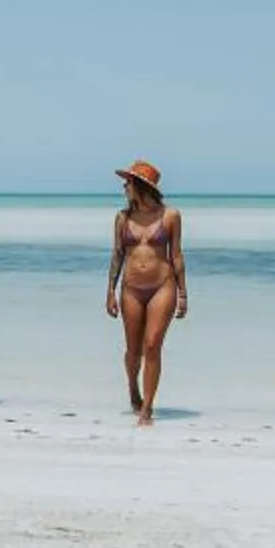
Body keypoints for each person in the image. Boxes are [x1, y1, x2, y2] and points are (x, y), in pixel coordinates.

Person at [104, 160, 186, 424]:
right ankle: (133, 387)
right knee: (133, 350)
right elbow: (117, 255)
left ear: (141, 186)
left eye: (128, 183)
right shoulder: (122, 218)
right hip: (131, 289)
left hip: (163, 286)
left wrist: (183, 293)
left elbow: (176, 255)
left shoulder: (170, 216)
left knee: (152, 345)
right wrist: (109, 291)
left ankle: (148, 408)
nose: (124, 187)